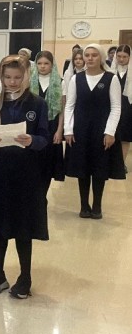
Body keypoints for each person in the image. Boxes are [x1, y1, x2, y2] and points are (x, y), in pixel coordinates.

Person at [0, 55, 50, 299]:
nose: (13, 82)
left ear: (27, 76)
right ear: (1, 77)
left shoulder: (37, 103)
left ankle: (25, 276)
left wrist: (31, 141)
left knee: (23, 227)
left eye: (18, 77)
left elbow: (44, 138)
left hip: (25, 174)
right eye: (7, 77)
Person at [64, 44, 126, 219]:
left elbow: (116, 107)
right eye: (87, 55)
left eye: (94, 55)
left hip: (102, 130)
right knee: (82, 169)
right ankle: (84, 205)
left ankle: (97, 205)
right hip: (80, 130)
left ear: (101, 57)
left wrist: (110, 132)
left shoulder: (111, 79)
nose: (90, 58)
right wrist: (68, 130)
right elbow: (69, 105)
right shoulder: (76, 79)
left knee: (99, 169)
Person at [31, 51, 66, 188]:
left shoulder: (60, 82)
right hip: (33, 126)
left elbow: (62, 109)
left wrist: (59, 130)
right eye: (39, 63)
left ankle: (43, 194)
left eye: (46, 63)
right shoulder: (29, 81)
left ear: (52, 65)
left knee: (48, 163)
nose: (42, 66)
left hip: (52, 126)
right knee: (34, 162)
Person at [112, 45, 132, 167]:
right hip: (112, 107)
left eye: (125, 57)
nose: (121, 59)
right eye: (119, 56)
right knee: (112, 134)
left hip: (128, 107)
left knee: (125, 136)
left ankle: (121, 163)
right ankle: (111, 161)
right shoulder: (111, 71)